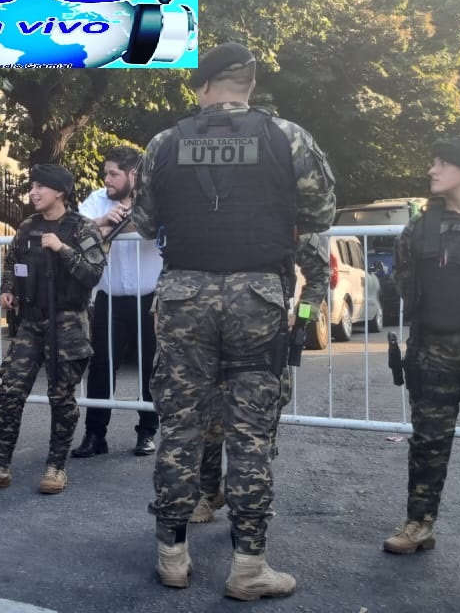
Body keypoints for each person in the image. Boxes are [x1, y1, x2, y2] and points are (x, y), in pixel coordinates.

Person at [131, 42, 335, 600]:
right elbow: (320, 213)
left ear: (202, 86)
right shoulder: (288, 138)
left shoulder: (164, 143)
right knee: (250, 435)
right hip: (257, 295)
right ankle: (248, 567)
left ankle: (172, 556)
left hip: (183, 297)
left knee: (180, 428)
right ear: (250, 85)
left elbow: (145, 223)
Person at [0, 164, 106, 495]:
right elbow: (12, 262)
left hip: (68, 322)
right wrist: (7, 289)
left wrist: (62, 249)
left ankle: (55, 467)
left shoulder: (82, 227)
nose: (33, 192)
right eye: (32, 186)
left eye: (40, 186)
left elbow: (93, 274)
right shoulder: (28, 226)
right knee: (10, 392)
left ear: (59, 191)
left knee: (61, 397)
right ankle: (0, 467)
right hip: (30, 321)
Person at [383, 135, 460, 555]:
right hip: (431, 348)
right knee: (428, 442)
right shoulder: (420, 227)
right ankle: (419, 524)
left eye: (443, 163)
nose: (432, 170)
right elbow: (404, 280)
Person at [190, 231, 332, 525]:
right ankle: (207, 493)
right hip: (213, 330)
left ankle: (250, 499)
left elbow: (319, 274)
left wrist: (302, 317)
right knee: (210, 414)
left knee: (261, 421)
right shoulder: (212, 211)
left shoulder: (285, 216)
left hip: (266, 335)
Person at [74, 145, 161, 458]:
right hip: (109, 298)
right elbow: (75, 231)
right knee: (101, 366)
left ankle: (147, 432)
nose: (107, 179)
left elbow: (161, 228)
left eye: (114, 174)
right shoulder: (97, 199)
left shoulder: (153, 200)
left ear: (133, 175)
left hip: (150, 300)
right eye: (106, 173)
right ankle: (95, 434)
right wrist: (103, 220)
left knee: (151, 366)